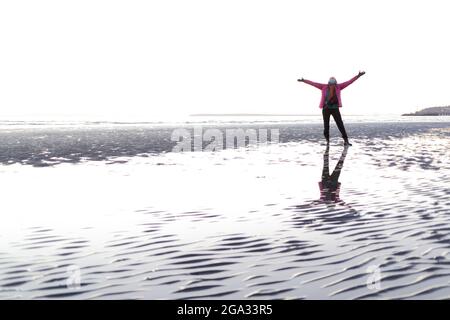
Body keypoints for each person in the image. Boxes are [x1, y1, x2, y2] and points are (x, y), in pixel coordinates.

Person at [297, 71, 365, 146]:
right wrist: (304, 81)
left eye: (333, 79)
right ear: (328, 81)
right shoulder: (323, 86)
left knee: (340, 124)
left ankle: (346, 141)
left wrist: (358, 76)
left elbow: (349, 82)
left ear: (335, 81)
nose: (332, 80)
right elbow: (313, 83)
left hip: (335, 108)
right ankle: (327, 141)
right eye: (331, 79)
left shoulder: (339, 86)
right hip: (326, 108)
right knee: (326, 126)